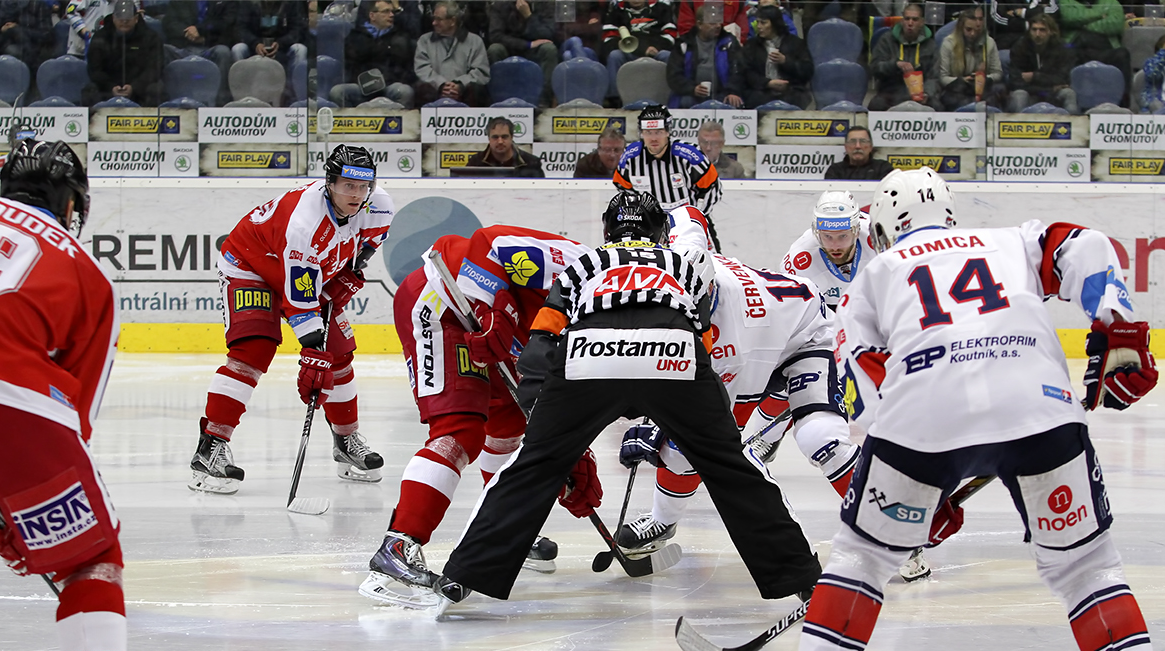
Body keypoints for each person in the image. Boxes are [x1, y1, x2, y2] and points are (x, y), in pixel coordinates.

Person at [781, 167, 1165, 651]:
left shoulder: (873, 276)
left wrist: (916, 496)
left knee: (862, 558)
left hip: (920, 419)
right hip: (1040, 407)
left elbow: (868, 383)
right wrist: (1119, 324)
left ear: (882, 227)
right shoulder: (1013, 240)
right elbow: (1086, 244)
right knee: (1086, 568)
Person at [376, 192, 823, 613]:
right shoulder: (681, 265)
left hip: (592, 355)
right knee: (731, 468)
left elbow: (544, 337)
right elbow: (701, 337)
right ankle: (801, 578)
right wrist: (690, 419)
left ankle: (466, 575)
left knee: (533, 465)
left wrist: (542, 415)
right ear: (660, 233)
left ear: (608, 231)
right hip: (673, 354)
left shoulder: (585, 263)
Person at [0, 140, 167, 651]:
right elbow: (75, 414)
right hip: (14, 397)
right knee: (92, 559)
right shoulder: (88, 275)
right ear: (72, 202)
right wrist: (31, 518)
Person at [613, 207, 863, 562]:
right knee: (678, 450)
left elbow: (721, 437)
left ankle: (881, 526)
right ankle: (662, 520)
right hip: (775, 329)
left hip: (810, 339)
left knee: (819, 438)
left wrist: (657, 434)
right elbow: (687, 214)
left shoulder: (734, 343)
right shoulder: (688, 255)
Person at [359, 226, 594, 605]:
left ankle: (503, 530)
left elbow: (558, 393)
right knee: (460, 431)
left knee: (510, 426)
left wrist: (573, 452)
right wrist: (493, 307)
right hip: (444, 304)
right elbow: (489, 242)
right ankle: (399, 544)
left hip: (504, 337)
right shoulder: (579, 265)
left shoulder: (619, 330)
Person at [189, 146, 393, 494]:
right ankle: (210, 447)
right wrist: (313, 352)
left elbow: (367, 246)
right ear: (329, 183)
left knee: (339, 353)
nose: (357, 195)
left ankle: (346, 441)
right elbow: (300, 303)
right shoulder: (304, 224)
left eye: (363, 187)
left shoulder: (380, 205)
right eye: (348, 185)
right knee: (253, 350)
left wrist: (348, 275)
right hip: (252, 266)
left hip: (308, 270)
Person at [613, 105, 723, 245]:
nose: (653, 138)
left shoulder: (689, 155)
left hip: (688, 228)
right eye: (648, 132)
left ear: (668, 131)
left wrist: (696, 217)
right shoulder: (630, 159)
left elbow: (713, 187)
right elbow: (623, 189)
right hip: (650, 230)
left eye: (658, 132)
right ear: (641, 133)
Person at [331, 0, 416, 107]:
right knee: (337, 92)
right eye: (386, 11)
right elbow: (352, 59)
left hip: (389, 86)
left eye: (392, 11)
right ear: (372, 15)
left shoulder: (400, 36)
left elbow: (403, 65)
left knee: (405, 91)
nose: (391, 15)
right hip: (361, 87)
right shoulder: (356, 35)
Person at [83, 0, 165, 107]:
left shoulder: (151, 38)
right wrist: (111, 87)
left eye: (128, 19)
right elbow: (94, 69)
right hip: (108, 88)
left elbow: (154, 68)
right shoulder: (100, 37)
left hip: (140, 89)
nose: (124, 22)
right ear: (113, 18)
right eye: (120, 19)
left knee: (156, 89)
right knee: (90, 91)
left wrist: (134, 87)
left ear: (136, 19)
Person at [413, 0, 491, 106]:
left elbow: (481, 72)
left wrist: (460, 85)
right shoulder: (424, 40)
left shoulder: (475, 41)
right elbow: (422, 69)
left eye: (439, 19)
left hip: (464, 93)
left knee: (478, 90)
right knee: (421, 88)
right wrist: (441, 85)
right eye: (433, 18)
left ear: (453, 21)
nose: (434, 23)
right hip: (434, 92)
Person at [867, 2, 941, 111]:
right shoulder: (887, 40)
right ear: (902, 21)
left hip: (920, 93)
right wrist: (894, 65)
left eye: (915, 19)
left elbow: (934, 77)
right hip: (891, 92)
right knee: (876, 104)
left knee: (938, 106)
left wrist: (927, 93)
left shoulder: (931, 45)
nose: (910, 23)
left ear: (922, 22)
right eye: (907, 19)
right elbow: (875, 68)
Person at [738, 0, 812, 108]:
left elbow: (807, 70)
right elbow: (746, 72)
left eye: (763, 23)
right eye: (757, 22)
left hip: (791, 92)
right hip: (760, 93)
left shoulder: (795, 43)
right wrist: (767, 83)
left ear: (775, 23)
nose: (759, 26)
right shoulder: (751, 45)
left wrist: (786, 61)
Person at [162, 0, 238, 103]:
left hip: (210, 48)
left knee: (223, 52)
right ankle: (169, 103)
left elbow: (225, 25)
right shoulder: (178, 1)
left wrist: (202, 34)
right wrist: (189, 34)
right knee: (163, 49)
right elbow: (169, 24)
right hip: (183, 47)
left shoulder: (225, 1)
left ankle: (220, 104)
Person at [601, 0, 676, 102]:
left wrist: (657, 47)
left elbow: (670, 35)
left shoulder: (662, 9)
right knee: (615, 56)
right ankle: (614, 99)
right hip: (627, 52)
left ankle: (670, 98)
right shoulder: (617, 12)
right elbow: (609, 39)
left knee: (666, 55)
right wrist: (641, 49)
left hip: (655, 51)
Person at [486, 0, 559, 103]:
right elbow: (495, 36)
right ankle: (498, 100)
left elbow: (548, 34)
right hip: (510, 48)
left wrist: (528, 16)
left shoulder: (544, 4)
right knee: (495, 49)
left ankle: (543, 101)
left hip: (535, 50)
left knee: (549, 49)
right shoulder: (501, 4)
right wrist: (527, 44)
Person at [666, 15, 745, 107]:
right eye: (712, 23)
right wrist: (692, 89)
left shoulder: (729, 42)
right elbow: (673, 75)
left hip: (722, 93)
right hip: (690, 94)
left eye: (719, 22)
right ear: (700, 24)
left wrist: (733, 91)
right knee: (685, 102)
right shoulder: (684, 43)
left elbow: (738, 70)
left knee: (731, 102)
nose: (718, 26)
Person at [1059, 0, 1132, 99]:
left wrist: (1084, 24)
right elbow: (1069, 18)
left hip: (1105, 50)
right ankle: (1071, 102)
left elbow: (1116, 24)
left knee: (1122, 54)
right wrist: (1100, 15)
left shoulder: (1112, 2)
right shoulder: (1066, 0)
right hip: (1078, 49)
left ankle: (1123, 103)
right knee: (1066, 54)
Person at [935, 6, 1004, 111]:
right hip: (957, 89)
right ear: (961, 28)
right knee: (958, 100)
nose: (972, 33)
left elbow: (998, 73)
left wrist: (984, 78)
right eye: (968, 29)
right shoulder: (948, 44)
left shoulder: (990, 43)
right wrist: (962, 81)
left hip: (984, 88)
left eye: (976, 30)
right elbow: (943, 77)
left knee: (997, 92)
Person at [1006, 14, 1078, 113]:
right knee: (1019, 94)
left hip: (1053, 95)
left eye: (1042, 30)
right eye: (1034, 30)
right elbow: (1015, 81)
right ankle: (1019, 122)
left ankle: (1072, 122)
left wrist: (1034, 76)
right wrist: (1049, 88)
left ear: (1051, 31)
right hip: (1031, 93)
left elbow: (1062, 79)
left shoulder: (1063, 49)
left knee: (1069, 93)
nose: (1037, 34)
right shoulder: (1020, 47)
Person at [231, 0, 309, 68]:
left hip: (283, 48)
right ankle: (241, 80)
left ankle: (296, 81)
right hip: (253, 48)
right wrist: (255, 44)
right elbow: (241, 29)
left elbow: (297, 29)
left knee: (300, 50)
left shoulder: (292, 2)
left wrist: (280, 43)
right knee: (238, 49)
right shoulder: (249, 2)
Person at [0, 0, 52, 73]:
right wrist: (1, 30)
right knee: (11, 49)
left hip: (31, 47)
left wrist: (19, 30)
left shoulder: (38, 4)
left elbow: (47, 35)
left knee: (16, 41)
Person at [465, 116, 546, 176]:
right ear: (489, 138)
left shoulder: (531, 163)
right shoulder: (475, 162)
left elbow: (539, 192)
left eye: (504, 137)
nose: (500, 141)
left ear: (512, 137)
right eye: (495, 137)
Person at [823, 126, 894, 181]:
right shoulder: (835, 170)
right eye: (852, 141)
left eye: (863, 141)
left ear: (870, 146)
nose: (858, 146)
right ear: (846, 147)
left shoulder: (883, 168)